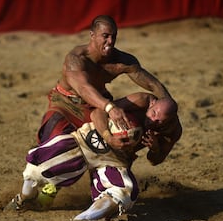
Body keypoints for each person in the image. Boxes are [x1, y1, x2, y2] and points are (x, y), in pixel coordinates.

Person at [5, 92, 182, 220]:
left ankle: (83, 220)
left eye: (160, 121)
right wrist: (108, 136)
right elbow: (98, 113)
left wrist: (156, 147)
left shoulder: (172, 132)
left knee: (125, 191)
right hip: (88, 139)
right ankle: (24, 198)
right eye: (153, 114)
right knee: (41, 166)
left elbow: (155, 160)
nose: (153, 121)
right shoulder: (141, 101)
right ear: (152, 104)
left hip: (114, 159)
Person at [37, 15, 173, 145]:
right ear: (92, 35)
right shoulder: (76, 59)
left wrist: (170, 107)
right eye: (105, 36)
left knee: (147, 125)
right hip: (67, 103)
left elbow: (152, 83)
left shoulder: (122, 61)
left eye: (114, 37)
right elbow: (83, 89)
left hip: (97, 105)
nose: (110, 41)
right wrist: (110, 107)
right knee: (53, 139)